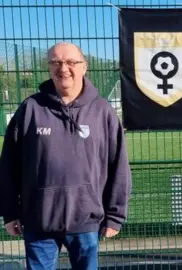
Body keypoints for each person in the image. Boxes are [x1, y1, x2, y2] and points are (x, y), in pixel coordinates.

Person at [0, 42, 132, 269]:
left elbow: (118, 166)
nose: (63, 68)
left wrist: (115, 215)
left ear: (84, 67)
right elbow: (8, 165)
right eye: (56, 62)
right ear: (49, 68)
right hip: (38, 220)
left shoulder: (103, 112)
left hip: (86, 221)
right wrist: (10, 212)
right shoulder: (30, 109)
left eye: (71, 62)